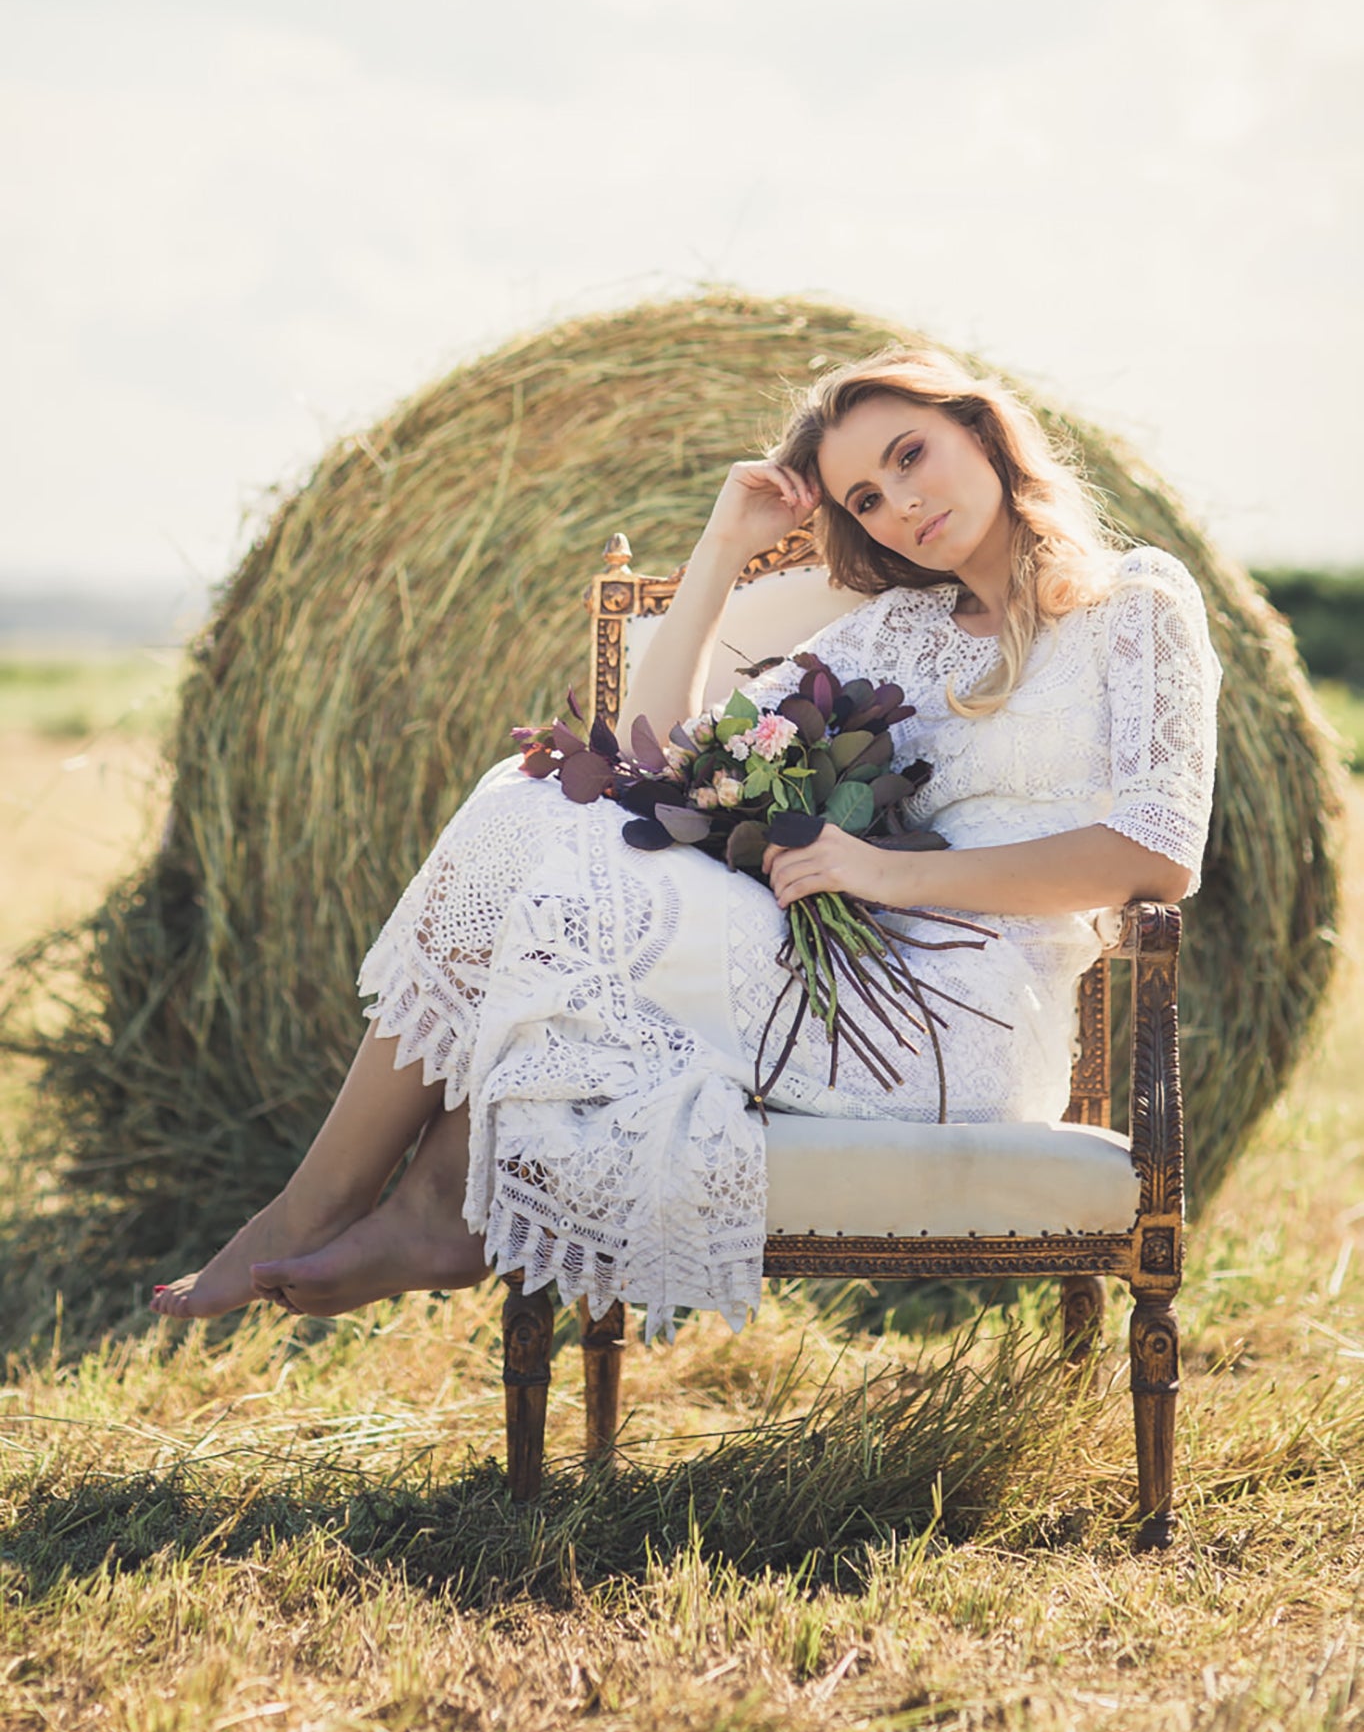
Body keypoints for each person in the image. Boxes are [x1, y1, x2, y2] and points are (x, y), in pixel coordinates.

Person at [151, 347, 1221, 1340]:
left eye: (910, 456)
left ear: (980, 432)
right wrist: (720, 549)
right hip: (842, 976)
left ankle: (355, 1205)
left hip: (970, 1026)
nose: (899, 503)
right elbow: (649, 763)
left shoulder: (1134, 605)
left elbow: (1157, 852)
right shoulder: (897, 634)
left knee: (547, 841)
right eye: (863, 497)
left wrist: (883, 871)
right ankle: (393, 1204)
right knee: (532, 804)